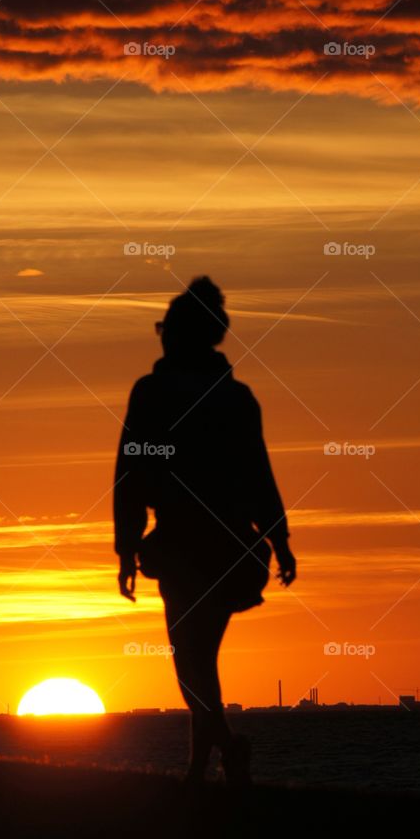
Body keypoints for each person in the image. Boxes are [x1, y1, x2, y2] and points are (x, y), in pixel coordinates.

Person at [113, 276, 296, 786]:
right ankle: (203, 764)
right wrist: (279, 541)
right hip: (229, 545)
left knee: (191, 661)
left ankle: (226, 749)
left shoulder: (154, 394)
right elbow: (260, 474)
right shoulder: (236, 398)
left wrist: (127, 548)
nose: (161, 337)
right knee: (199, 658)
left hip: (192, 546)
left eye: (166, 329)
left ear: (183, 335)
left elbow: (129, 474)